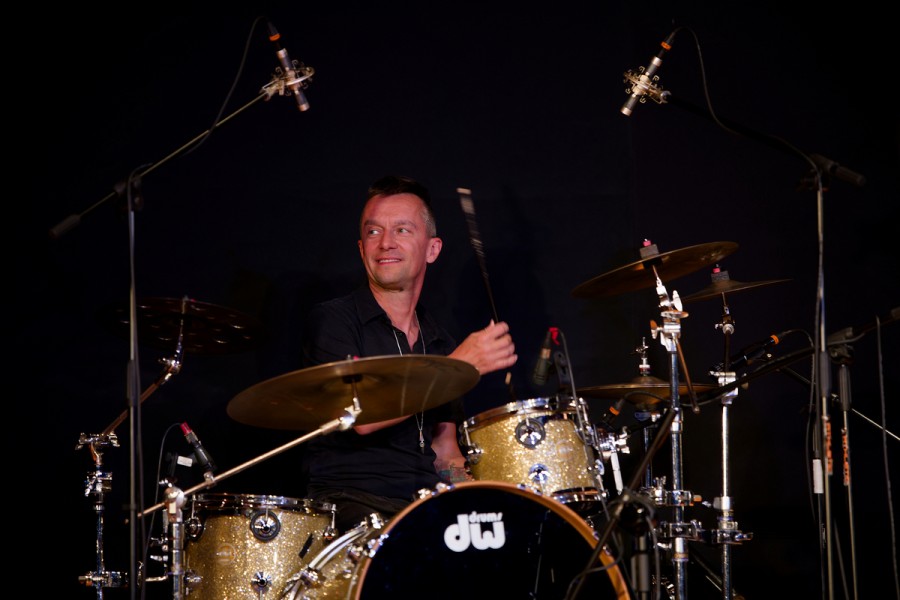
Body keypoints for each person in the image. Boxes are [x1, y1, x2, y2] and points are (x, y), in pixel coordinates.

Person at [300, 174, 518, 534]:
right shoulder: (335, 321)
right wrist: (456, 367)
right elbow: (361, 416)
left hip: (423, 507)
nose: (386, 242)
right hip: (351, 506)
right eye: (374, 232)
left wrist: (479, 497)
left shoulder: (439, 342)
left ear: (432, 249)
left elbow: (445, 451)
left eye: (402, 230)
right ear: (361, 249)